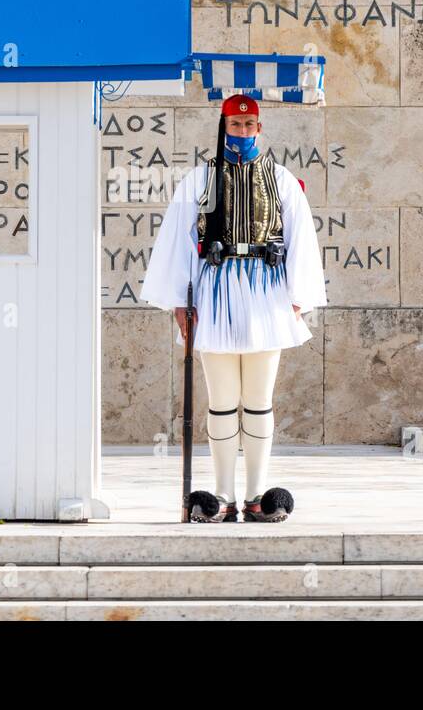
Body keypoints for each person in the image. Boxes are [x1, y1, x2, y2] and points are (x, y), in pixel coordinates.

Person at [140, 93, 328, 523]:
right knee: (222, 401)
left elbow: (301, 238)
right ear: (223, 127)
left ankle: (258, 493)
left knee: (259, 400)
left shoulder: (282, 180)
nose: (242, 132)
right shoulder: (199, 180)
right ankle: (222, 494)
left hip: (265, 293)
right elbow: (180, 242)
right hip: (217, 291)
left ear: (259, 129)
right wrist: (179, 303)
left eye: (249, 126)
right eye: (234, 125)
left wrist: (297, 297)